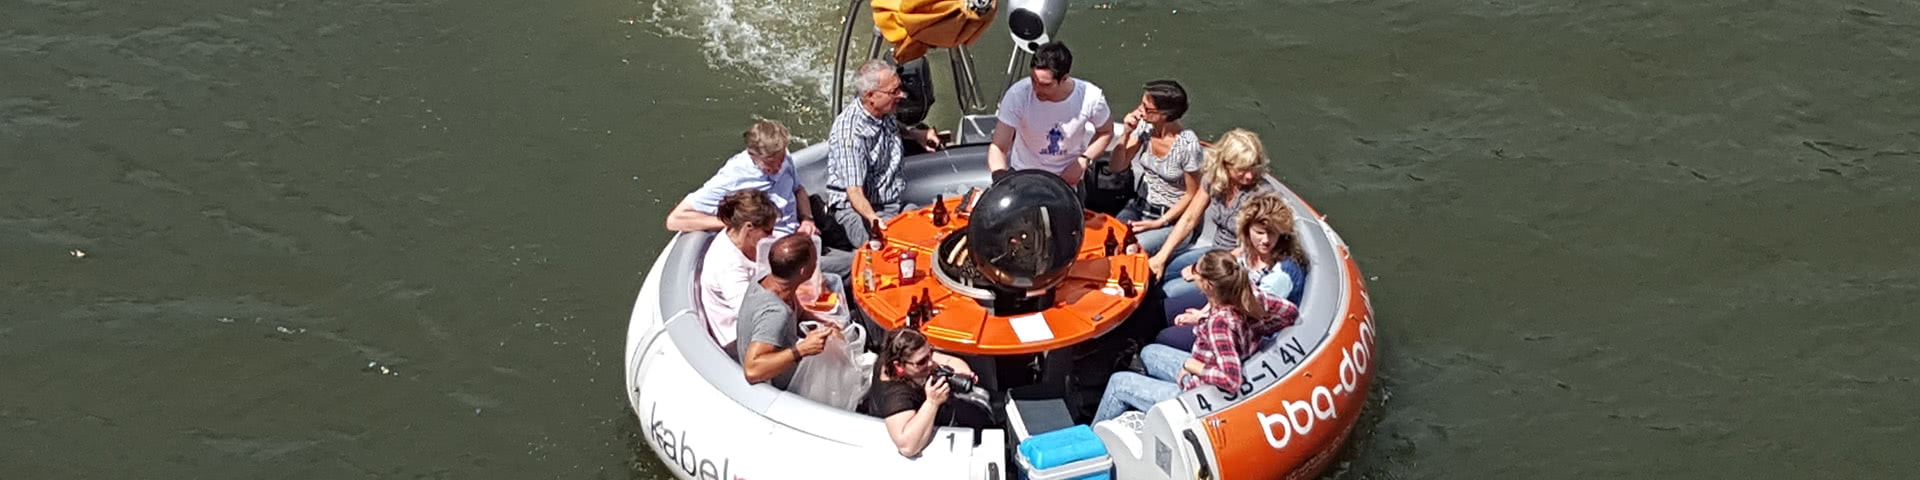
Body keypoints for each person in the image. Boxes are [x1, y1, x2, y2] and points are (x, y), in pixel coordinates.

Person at [1093, 251, 1298, 422]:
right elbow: (1289, 312)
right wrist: (1255, 334)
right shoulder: (1251, 295)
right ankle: (1146, 414)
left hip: (1196, 395)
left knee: (1118, 383)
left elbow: (1231, 379)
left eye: (1196, 271)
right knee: (1149, 353)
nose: (1193, 274)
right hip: (1206, 368)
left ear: (1207, 285)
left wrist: (1193, 366)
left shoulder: (1220, 324)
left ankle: (1091, 445)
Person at [1155, 193, 1309, 348]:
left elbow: (1248, 315)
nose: (1266, 240)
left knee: (1166, 338)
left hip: (1244, 328)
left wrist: (1201, 319)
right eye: (1260, 232)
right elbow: (1225, 286)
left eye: (1272, 233)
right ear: (1247, 229)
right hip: (1227, 303)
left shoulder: (1281, 275)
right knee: (1159, 312)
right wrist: (1203, 312)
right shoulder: (1249, 249)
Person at [823, 59, 942, 250]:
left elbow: (892, 126)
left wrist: (917, 134)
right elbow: (854, 192)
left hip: (893, 205)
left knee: (934, 230)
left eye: (899, 88)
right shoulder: (851, 134)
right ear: (871, 96)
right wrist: (874, 221)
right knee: (907, 246)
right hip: (860, 212)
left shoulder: (883, 112)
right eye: (894, 92)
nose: (901, 95)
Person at [1146, 128, 1276, 278]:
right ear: (1225, 164)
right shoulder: (1214, 179)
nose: (1249, 176)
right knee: (1161, 270)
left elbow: (1253, 246)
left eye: (1254, 167)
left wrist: (1199, 270)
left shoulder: (1262, 195)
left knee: (1170, 292)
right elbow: (1190, 218)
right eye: (1242, 169)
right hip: (1215, 252)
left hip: (1238, 266)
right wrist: (1161, 257)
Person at [665, 119, 821, 239]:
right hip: (772, 247)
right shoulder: (734, 176)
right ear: (753, 156)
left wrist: (807, 219)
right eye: (770, 164)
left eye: (781, 160)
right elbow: (675, 219)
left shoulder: (784, 158)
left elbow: (798, 189)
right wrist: (736, 224)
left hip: (800, 233)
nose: (779, 167)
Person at [986, 41, 1113, 186]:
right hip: (1024, 174)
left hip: (1067, 179)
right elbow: (999, 146)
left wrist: (1084, 159)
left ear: (1064, 79)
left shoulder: (1091, 97)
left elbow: (1106, 132)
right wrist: (1000, 178)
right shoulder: (1018, 94)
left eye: (1045, 85)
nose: (1037, 89)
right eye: (1034, 81)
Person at [1109, 80, 1202, 255]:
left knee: (1132, 251)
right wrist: (1127, 132)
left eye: (1146, 107)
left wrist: (1160, 222)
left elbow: (1192, 193)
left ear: (1164, 114)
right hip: (1139, 208)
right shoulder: (1145, 128)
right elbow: (1116, 166)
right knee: (1110, 241)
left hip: (1169, 220)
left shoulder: (1187, 145)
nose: (1139, 110)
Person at [735, 234, 842, 388]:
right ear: (804, 271)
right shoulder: (775, 313)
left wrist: (822, 322)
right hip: (778, 390)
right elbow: (752, 370)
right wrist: (802, 349)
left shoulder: (767, 278)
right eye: (814, 260)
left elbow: (796, 311)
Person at [870, 329, 981, 458]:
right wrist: (932, 402)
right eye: (922, 362)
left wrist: (961, 372)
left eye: (931, 353)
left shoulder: (893, 356)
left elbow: (946, 360)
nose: (930, 363)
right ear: (899, 366)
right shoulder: (895, 397)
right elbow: (907, 447)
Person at [699, 189, 780, 351]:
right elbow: (751, 315)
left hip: (765, 322)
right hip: (740, 342)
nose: (772, 236)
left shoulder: (746, 243)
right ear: (748, 227)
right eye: (767, 231)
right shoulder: (729, 266)